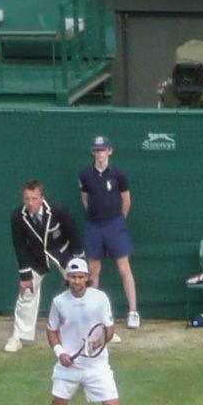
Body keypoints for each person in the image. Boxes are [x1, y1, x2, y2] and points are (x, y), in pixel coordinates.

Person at [34, 256, 145, 405]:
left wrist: (98, 342)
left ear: (87, 278)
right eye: (73, 277)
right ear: (68, 278)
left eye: (80, 276)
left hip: (97, 366)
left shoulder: (100, 299)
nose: (77, 281)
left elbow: (109, 328)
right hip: (68, 367)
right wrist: (60, 352)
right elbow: (52, 330)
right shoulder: (59, 302)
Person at [6, 177, 81, 352]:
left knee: (81, 286)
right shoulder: (17, 217)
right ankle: (18, 336)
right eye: (27, 199)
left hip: (63, 253)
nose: (30, 203)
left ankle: (94, 327)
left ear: (42, 197)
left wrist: (79, 261)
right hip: (35, 258)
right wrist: (25, 276)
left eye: (34, 198)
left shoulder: (58, 210)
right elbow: (20, 246)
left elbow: (74, 234)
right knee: (26, 292)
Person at [78, 136, 139, 328]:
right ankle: (91, 314)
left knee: (124, 269)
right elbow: (85, 200)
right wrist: (97, 218)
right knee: (93, 270)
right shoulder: (85, 175)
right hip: (93, 226)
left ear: (110, 151)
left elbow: (126, 201)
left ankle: (133, 312)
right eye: (96, 150)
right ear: (92, 152)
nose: (100, 154)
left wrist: (118, 220)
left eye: (102, 150)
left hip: (115, 225)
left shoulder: (119, 174)